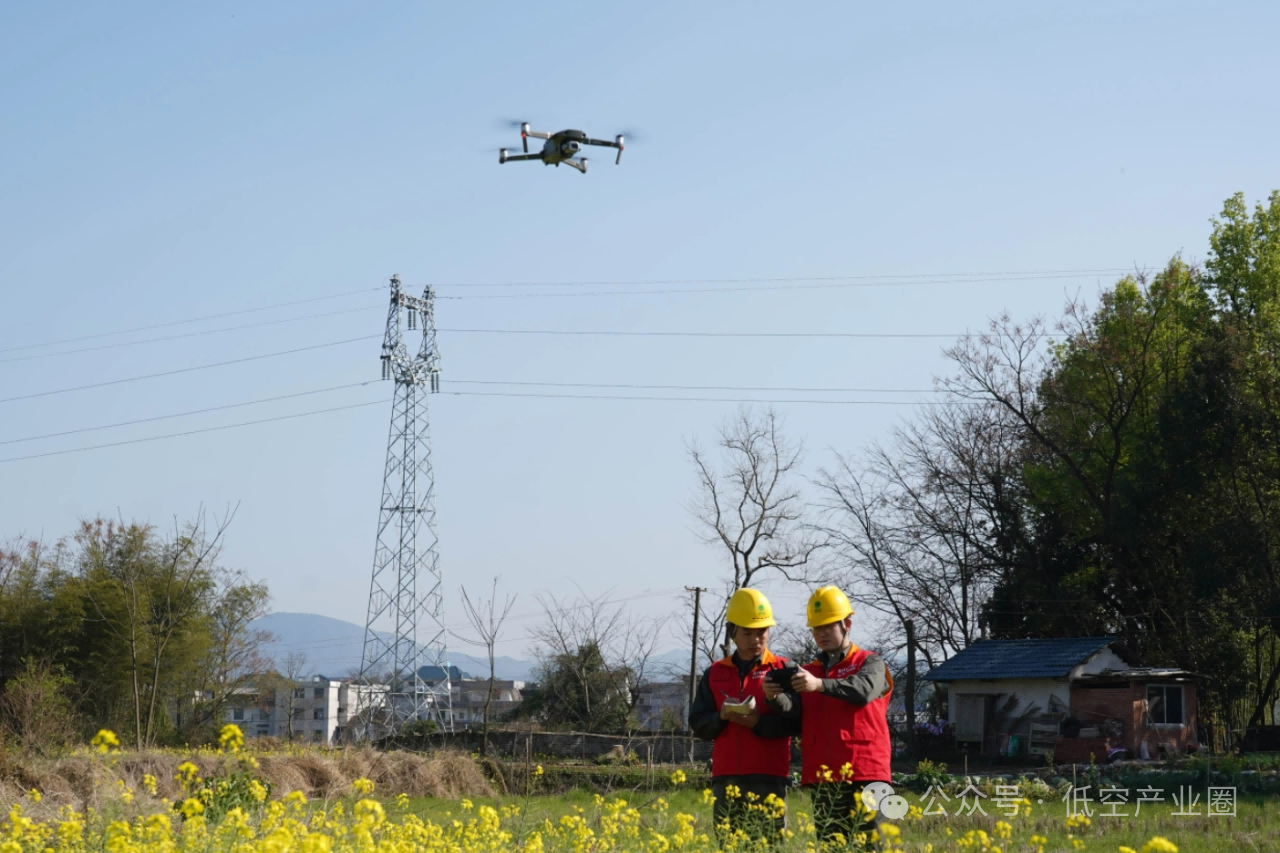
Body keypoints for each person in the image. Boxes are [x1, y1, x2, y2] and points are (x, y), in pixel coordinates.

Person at [763, 585, 893, 846]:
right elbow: (797, 715)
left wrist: (819, 685)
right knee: (831, 846)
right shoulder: (808, 671)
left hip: (868, 772)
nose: (821, 633)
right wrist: (775, 697)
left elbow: (864, 691)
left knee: (872, 846)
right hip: (824, 776)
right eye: (816, 628)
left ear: (847, 624)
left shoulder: (871, 663)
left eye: (828, 626)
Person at [688, 588, 800, 840]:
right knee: (728, 844)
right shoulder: (714, 673)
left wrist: (758, 723)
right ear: (732, 632)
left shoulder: (784, 669)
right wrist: (722, 717)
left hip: (770, 776)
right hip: (726, 777)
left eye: (762, 632)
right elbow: (698, 724)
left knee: (768, 845)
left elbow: (796, 722)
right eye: (748, 633)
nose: (756, 639)